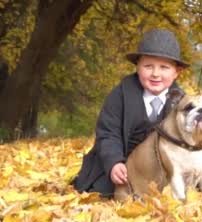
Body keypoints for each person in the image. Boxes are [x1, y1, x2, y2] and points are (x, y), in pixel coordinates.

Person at [72, 29, 189, 197]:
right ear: (138, 67)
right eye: (148, 66)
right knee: (102, 191)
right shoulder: (120, 94)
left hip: (163, 168)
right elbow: (108, 133)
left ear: (176, 72)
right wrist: (114, 163)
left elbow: (188, 140)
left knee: (183, 193)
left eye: (164, 67)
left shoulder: (183, 103)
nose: (155, 73)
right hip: (123, 164)